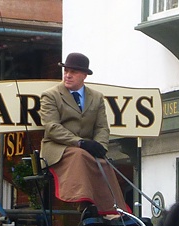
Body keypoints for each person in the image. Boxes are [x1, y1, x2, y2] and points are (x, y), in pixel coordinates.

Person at [39, 52, 128, 217]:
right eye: (66, 71)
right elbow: (51, 127)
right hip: (59, 148)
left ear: (84, 75)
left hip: (85, 149)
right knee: (80, 155)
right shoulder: (51, 95)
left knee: (104, 163)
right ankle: (85, 205)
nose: (68, 75)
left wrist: (101, 145)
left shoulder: (97, 97)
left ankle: (114, 209)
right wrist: (80, 142)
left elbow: (102, 127)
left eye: (73, 72)